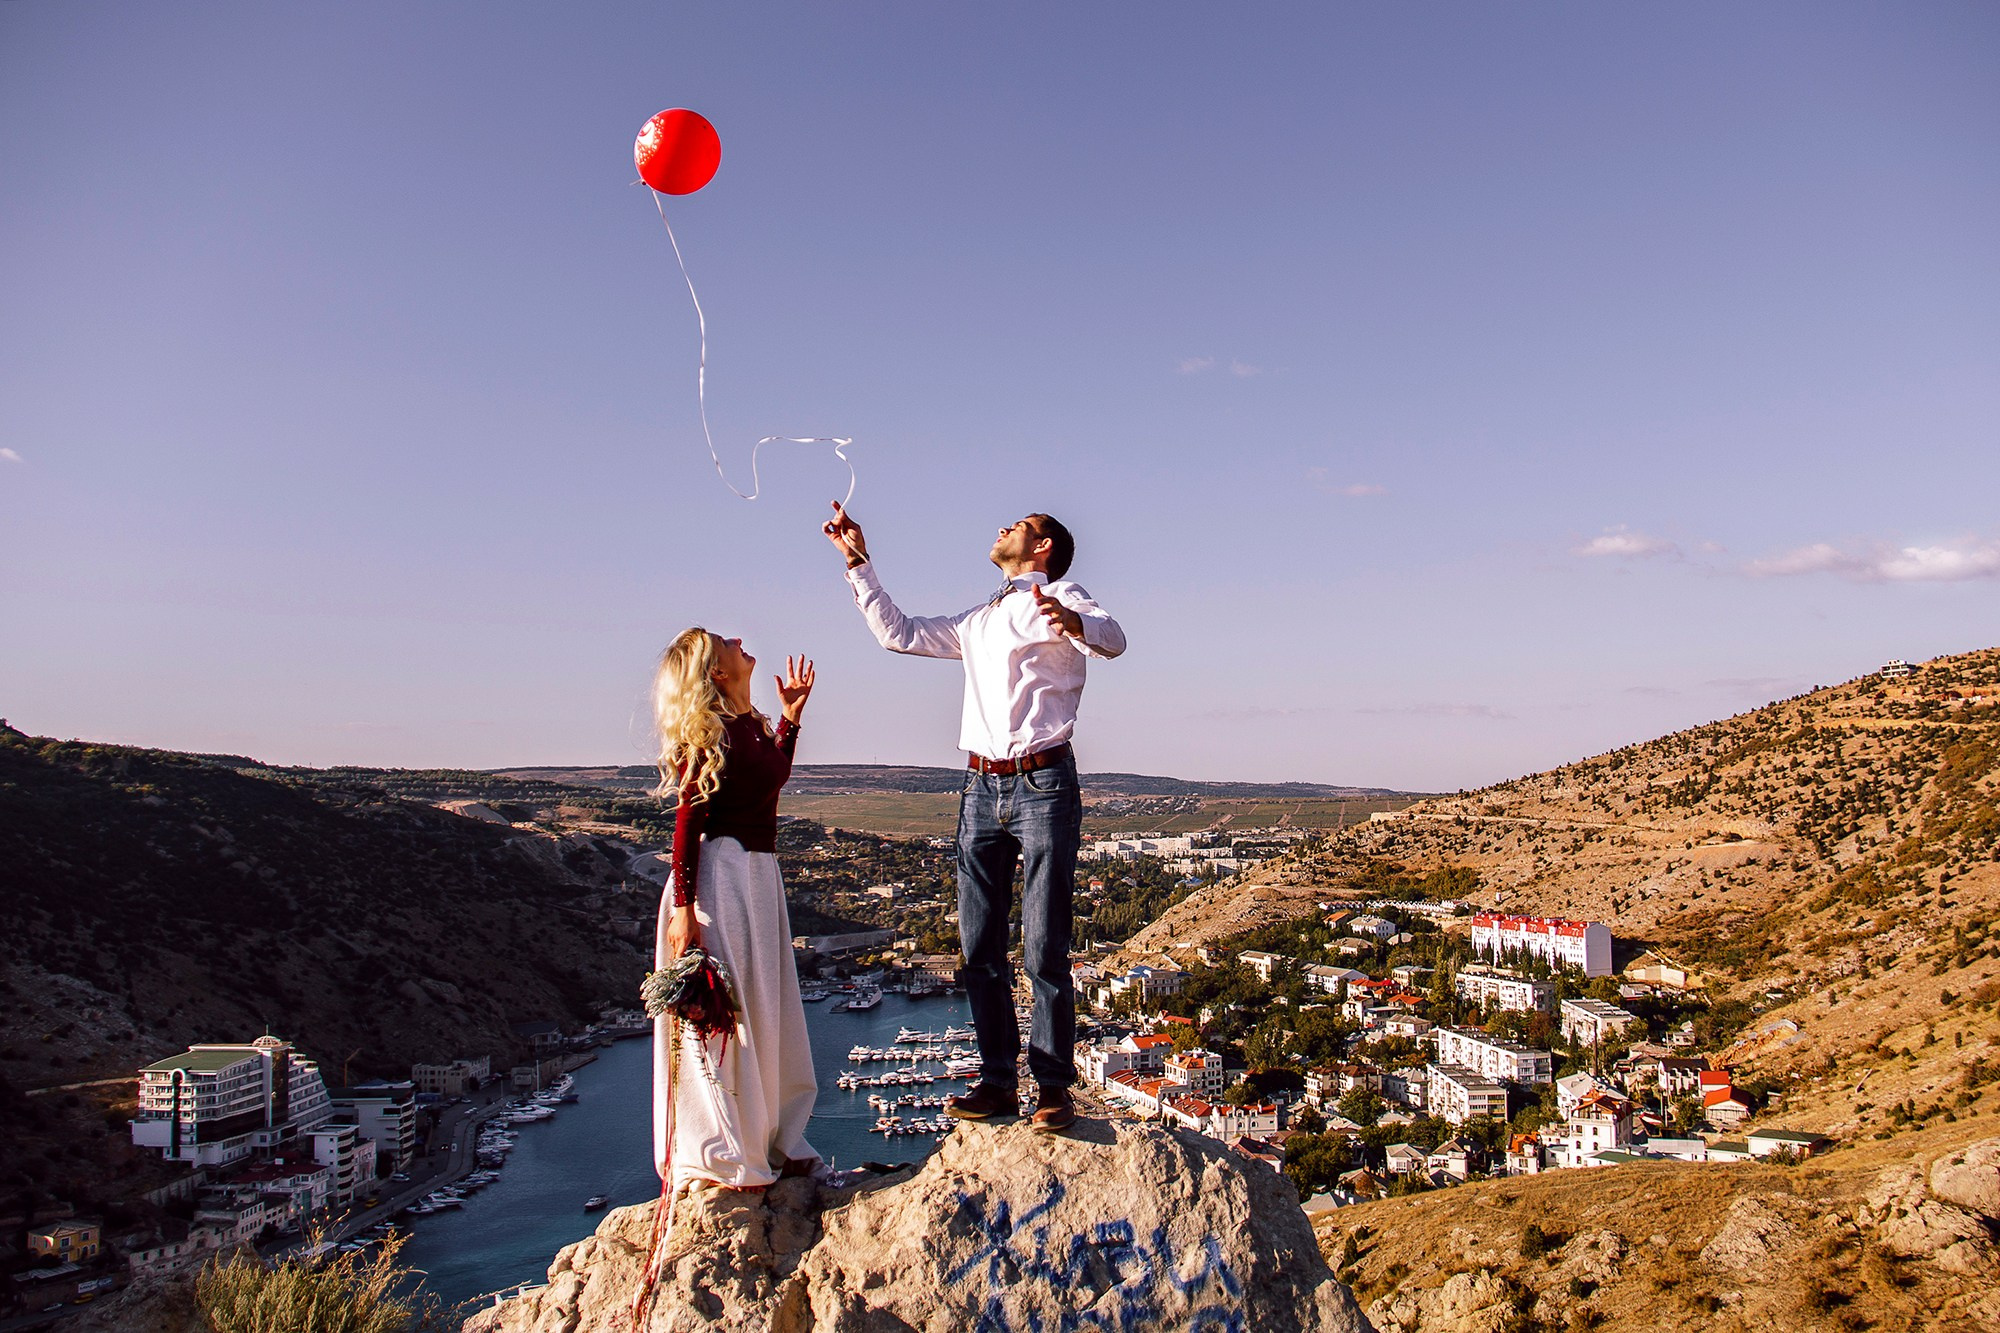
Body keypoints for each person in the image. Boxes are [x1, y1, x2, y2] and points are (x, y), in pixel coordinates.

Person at [822, 502, 1126, 1133]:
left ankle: (1052, 1089)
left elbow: (1114, 638)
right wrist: (858, 562)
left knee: (1044, 944)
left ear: (1042, 547)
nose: (1001, 526)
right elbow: (897, 633)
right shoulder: (981, 617)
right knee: (978, 947)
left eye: (1018, 524)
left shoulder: (1063, 593)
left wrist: (1071, 622)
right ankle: (996, 1083)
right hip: (980, 787)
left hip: (1044, 782)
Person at [650, 628, 821, 1193]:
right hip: (719, 881)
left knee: (764, 1010)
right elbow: (688, 822)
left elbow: (773, 778)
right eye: (726, 641)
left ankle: (767, 1137)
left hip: (756, 877)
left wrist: (790, 719)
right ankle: (725, 1151)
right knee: (727, 1020)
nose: (741, 639)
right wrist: (683, 909)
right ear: (717, 671)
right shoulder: (710, 733)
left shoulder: (749, 725)